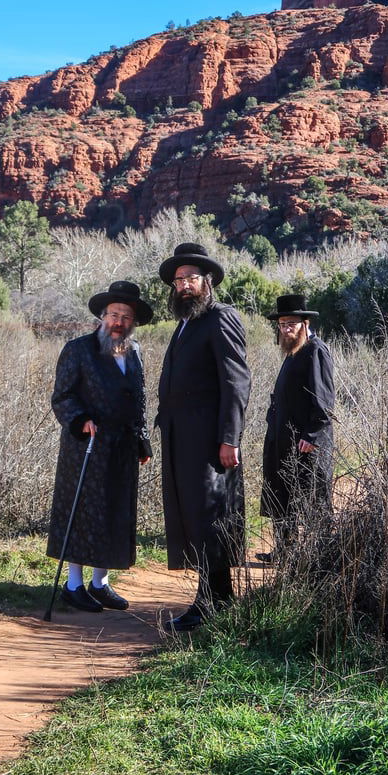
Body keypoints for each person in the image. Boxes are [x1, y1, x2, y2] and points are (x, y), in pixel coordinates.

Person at [156, 243, 251, 633]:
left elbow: (236, 382)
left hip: (211, 443)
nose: (183, 285)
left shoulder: (220, 318)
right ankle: (212, 600)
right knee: (196, 519)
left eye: (190, 278)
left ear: (206, 281)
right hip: (182, 441)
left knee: (213, 519)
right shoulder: (185, 323)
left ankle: (212, 604)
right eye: (178, 280)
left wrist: (230, 438)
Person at [46, 280, 153, 612]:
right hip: (86, 447)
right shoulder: (78, 349)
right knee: (84, 513)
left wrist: (142, 438)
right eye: (113, 314)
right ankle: (74, 585)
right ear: (102, 316)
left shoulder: (134, 353)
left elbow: (140, 400)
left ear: (132, 322)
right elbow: (62, 396)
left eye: (125, 316)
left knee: (112, 512)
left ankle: (100, 583)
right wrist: (80, 420)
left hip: (121, 448)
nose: (118, 322)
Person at [257, 294, 335, 563]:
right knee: (283, 496)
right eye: (281, 324)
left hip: (307, 443)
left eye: (291, 323)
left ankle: (322, 556)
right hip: (283, 439)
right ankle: (285, 551)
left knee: (313, 499)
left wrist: (312, 435)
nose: (286, 329)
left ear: (304, 323)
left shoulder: (315, 350)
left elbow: (324, 400)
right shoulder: (292, 351)